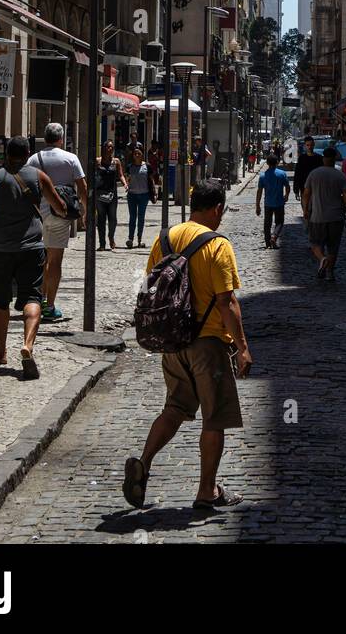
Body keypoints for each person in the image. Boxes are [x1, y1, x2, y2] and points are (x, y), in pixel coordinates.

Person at [122, 180, 252, 510]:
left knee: (175, 408)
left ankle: (145, 464)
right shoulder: (218, 245)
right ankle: (207, 491)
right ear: (217, 208)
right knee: (215, 418)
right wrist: (243, 347)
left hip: (174, 342)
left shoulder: (165, 238)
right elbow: (227, 302)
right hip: (208, 344)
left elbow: (151, 286)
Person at [0, 136, 67, 378]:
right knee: (32, 298)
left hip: (0, 251)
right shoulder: (39, 177)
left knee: (0, 301)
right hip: (32, 249)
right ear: (28, 152)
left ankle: (1, 351)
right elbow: (59, 206)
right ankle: (27, 345)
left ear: (6, 154)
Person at [25, 123, 86, 323]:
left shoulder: (33, 159)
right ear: (61, 139)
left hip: (37, 215)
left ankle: (39, 298)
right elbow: (82, 187)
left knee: (42, 260)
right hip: (61, 213)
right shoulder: (70, 158)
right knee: (55, 260)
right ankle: (49, 306)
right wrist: (86, 210)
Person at [301, 146, 346, 281]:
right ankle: (330, 273)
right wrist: (343, 209)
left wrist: (305, 210)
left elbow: (306, 194)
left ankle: (322, 259)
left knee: (315, 244)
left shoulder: (314, 174)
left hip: (317, 216)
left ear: (323, 159)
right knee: (333, 247)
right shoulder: (340, 175)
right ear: (334, 159)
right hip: (336, 217)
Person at [96, 141, 127, 250]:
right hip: (99, 194)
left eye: (112, 147)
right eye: (108, 147)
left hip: (112, 194)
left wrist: (125, 184)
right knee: (101, 219)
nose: (110, 149)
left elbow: (121, 175)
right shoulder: (97, 161)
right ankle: (102, 244)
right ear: (103, 148)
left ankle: (111, 237)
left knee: (113, 219)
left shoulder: (116, 161)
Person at [255, 152, 290, 248]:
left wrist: (257, 205)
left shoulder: (263, 176)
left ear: (267, 163)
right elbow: (287, 186)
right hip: (279, 202)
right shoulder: (282, 174)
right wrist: (286, 195)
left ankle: (267, 243)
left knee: (267, 223)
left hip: (268, 203)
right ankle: (274, 237)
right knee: (279, 222)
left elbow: (259, 191)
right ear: (277, 163)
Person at [125, 146, 152, 249]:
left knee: (141, 217)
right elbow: (127, 177)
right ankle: (130, 239)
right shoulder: (129, 167)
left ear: (142, 155)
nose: (136, 155)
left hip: (144, 195)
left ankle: (139, 239)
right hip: (132, 195)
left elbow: (151, 180)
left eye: (138, 153)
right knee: (132, 217)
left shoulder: (147, 166)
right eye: (135, 153)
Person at [293, 135, 322, 202]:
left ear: (314, 145)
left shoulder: (319, 158)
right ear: (305, 146)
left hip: (316, 188)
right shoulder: (301, 158)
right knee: (305, 209)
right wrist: (296, 190)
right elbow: (297, 174)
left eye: (311, 145)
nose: (310, 147)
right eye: (308, 145)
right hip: (304, 187)